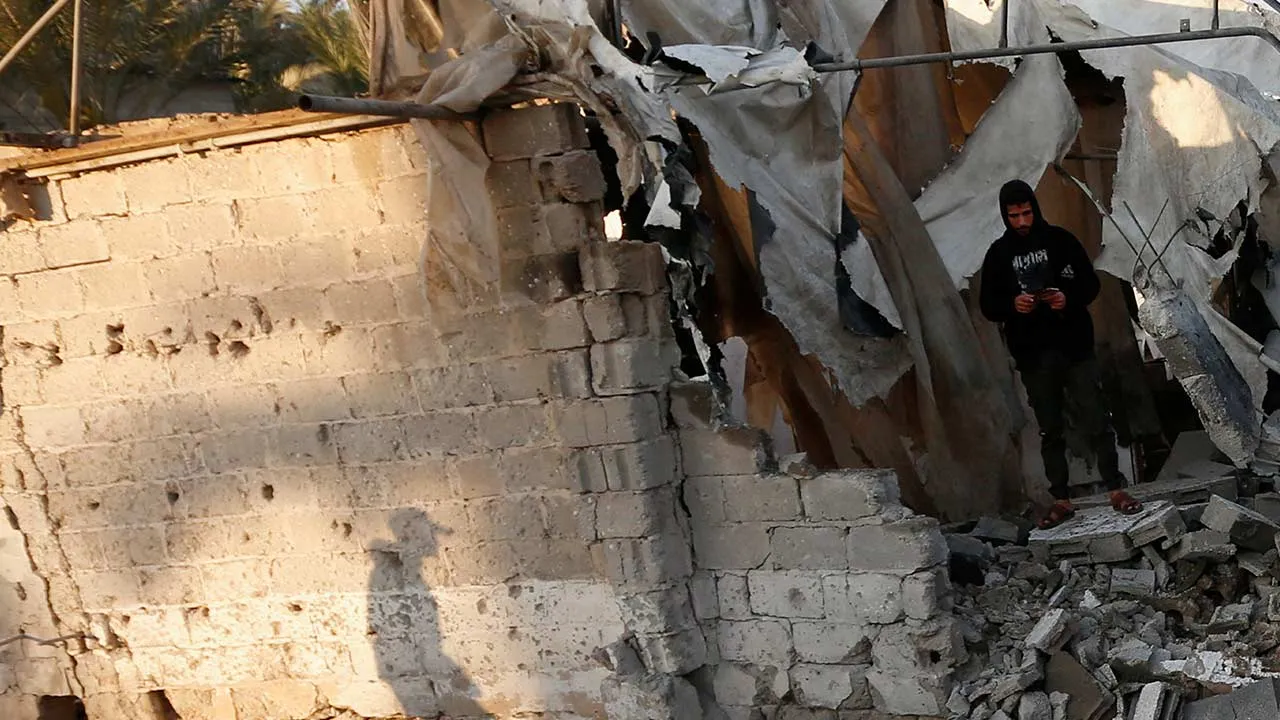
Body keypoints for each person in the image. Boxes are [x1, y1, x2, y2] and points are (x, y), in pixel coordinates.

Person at [979, 179, 1143, 528]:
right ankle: (1061, 499)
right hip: (1033, 356)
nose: (1022, 222)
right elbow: (988, 306)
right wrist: (1013, 305)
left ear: (1035, 209)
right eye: (1014, 216)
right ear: (1005, 216)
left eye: (1026, 214)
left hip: (1075, 348)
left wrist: (1066, 298)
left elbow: (1090, 284)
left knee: (1096, 419)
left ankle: (1116, 489)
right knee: (1050, 429)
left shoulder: (1061, 241)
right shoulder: (998, 255)